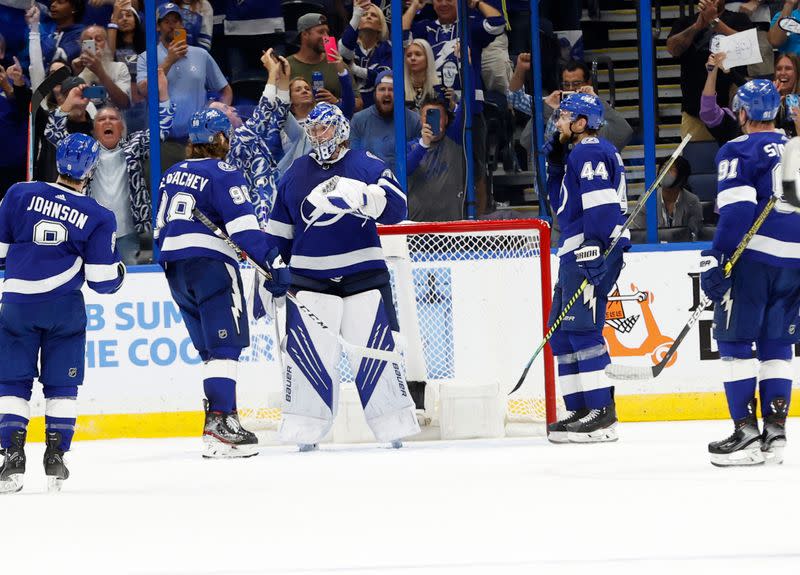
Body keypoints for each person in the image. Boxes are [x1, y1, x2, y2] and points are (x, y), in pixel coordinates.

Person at [265, 102, 419, 451]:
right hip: (309, 279)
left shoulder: (366, 165)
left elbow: (398, 210)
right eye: (313, 130)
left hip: (363, 274)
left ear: (341, 129)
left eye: (324, 128)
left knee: (377, 352)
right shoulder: (294, 173)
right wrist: (271, 267)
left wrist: (365, 196)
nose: (318, 135)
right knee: (308, 357)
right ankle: (305, 431)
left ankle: (392, 425)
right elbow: (278, 234)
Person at [155, 108, 289, 458]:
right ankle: (220, 424)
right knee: (225, 347)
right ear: (219, 140)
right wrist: (273, 262)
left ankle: (219, 422)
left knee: (211, 352)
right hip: (211, 264)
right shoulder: (224, 171)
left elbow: (158, 231)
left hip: (174, 267)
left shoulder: (171, 174)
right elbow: (244, 228)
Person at [0, 133, 125, 494]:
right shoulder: (99, 216)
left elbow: (2, 252)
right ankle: (56, 456)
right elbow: (102, 281)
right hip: (64, 308)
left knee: (11, 382)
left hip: (18, 304)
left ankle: (12, 456)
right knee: (62, 385)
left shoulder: (18, 193)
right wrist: (119, 273)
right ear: (91, 169)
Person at [700, 80, 800, 466]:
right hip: (794, 261)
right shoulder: (794, 148)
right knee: (777, 343)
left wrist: (718, 257)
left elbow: (738, 212)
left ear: (743, 113)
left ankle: (745, 432)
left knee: (736, 343)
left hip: (755, 259)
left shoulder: (738, 148)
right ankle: (775, 432)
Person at [543, 93, 629, 443]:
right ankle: (579, 408)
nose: (558, 123)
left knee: (582, 330)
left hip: (588, 251)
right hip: (573, 251)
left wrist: (596, 247)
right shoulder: (576, 154)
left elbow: (602, 207)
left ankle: (601, 413)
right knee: (560, 334)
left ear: (581, 124)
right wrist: (555, 165)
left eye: (564, 117)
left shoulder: (590, 150)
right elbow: (561, 203)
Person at [45, 67, 174, 264]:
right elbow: (53, 133)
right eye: (102, 119)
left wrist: (163, 93)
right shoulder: (83, 150)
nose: (107, 122)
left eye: (113, 118)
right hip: (90, 230)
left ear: (121, 126)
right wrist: (69, 103)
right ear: (94, 127)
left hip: (129, 234)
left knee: (129, 283)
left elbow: (162, 129)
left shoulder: (134, 145)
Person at [136, 2, 231, 170]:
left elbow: (225, 90)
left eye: (176, 21)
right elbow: (143, 91)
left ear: (182, 25)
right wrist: (169, 61)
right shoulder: (146, 57)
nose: (172, 26)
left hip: (198, 141)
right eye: (167, 22)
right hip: (163, 142)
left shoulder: (201, 55)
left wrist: (218, 113)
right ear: (158, 27)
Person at [207, 48, 291, 226]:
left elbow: (278, 117)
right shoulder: (234, 142)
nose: (233, 108)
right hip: (253, 216)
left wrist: (283, 79)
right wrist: (271, 73)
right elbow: (263, 112)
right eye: (226, 109)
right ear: (218, 122)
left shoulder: (251, 137)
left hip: (271, 209)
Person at [510, 55, 633, 154]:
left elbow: (624, 132)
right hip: (553, 178)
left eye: (576, 84)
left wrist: (597, 101)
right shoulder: (552, 103)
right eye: (566, 84)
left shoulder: (597, 112)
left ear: (588, 82)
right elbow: (515, 99)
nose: (571, 89)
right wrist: (521, 69)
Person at [666, 0, 753, 141]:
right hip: (695, 113)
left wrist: (715, 22)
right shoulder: (686, 22)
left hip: (735, 115)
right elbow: (672, 49)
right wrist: (696, 26)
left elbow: (749, 48)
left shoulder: (739, 19)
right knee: (695, 159)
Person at [350, 70, 421, 175]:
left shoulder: (414, 120)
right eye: (382, 89)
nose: (387, 94)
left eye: (391, 89)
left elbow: (420, 158)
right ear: (375, 93)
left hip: (406, 185)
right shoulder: (359, 120)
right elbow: (354, 159)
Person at [407, 97, 465, 221]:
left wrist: (455, 103)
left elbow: (466, 108)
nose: (432, 121)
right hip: (418, 227)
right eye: (427, 116)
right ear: (420, 120)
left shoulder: (454, 139)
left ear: (446, 120)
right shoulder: (410, 146)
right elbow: (405, 169)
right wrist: (423, 145)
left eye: (438, 116)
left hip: (450, 226)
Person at [287, 13, 360, 110]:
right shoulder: (287, 65)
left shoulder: (337, 63)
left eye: (327, 32)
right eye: (321, 32)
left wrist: (336, 102)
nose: (326, 37)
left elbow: (359, 103)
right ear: (305, 34)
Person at [632, 156, 703, 242]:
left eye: (671, 169)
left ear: (682, 177)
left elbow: (695, 235)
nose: (665, 172)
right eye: (664, 167)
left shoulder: (692, 202)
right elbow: (638, 235)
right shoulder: (646, 200)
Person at [338, 0, 392, 109]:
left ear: (381, 26)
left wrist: (355, 70)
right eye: (364, 15)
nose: (368, 17)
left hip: (379, 107)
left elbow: (385, 76)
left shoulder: (387, 48)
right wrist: (357, 14)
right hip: (351, 106)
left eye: (373, 15)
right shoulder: (348, 42)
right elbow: (344, 52)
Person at [72, 25, 131, 108]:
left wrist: (99, 71)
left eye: (98, 39)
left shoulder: (119, 68)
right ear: (82, 46)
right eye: (89, 41)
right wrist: (75, 73)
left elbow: (124, 103)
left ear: (106, 43)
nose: (94, 43)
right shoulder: (80, 73)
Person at [403, 38, 439, 113]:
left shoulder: (439, 87)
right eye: (409, 55)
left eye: (418, 54)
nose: (412, 58)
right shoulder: (399, 87)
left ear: (428, 58)